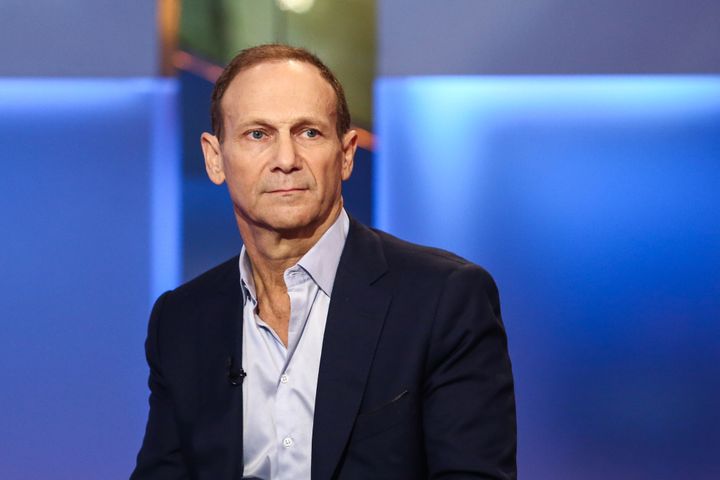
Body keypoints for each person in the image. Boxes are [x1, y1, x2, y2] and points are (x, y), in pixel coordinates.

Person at [131, 44, 516, 480]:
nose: (285, 160)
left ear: (347, 153)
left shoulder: (443, 300)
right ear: (215, 158)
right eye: (258, 134)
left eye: (308, 133)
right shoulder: (182, 321)